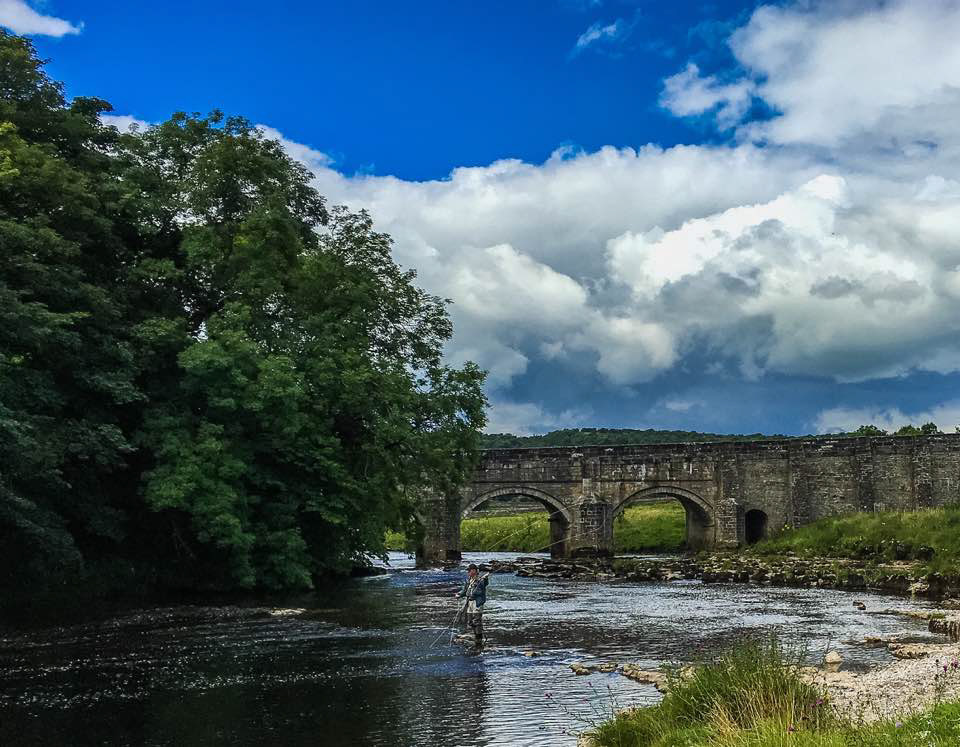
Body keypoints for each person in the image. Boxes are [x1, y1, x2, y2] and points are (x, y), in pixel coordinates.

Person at [457, 563, 489, 648]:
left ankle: (479, 639)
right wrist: (459, 594)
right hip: (469, 602)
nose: (468, 572)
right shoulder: (468, 580)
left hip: (477, 603)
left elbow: (484, 585)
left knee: (477, 621)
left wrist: (485, 579)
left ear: (474, 571)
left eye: (469, 571)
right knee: (470, 621)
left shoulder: (481, 580)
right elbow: (464, 590)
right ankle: (476, 636)